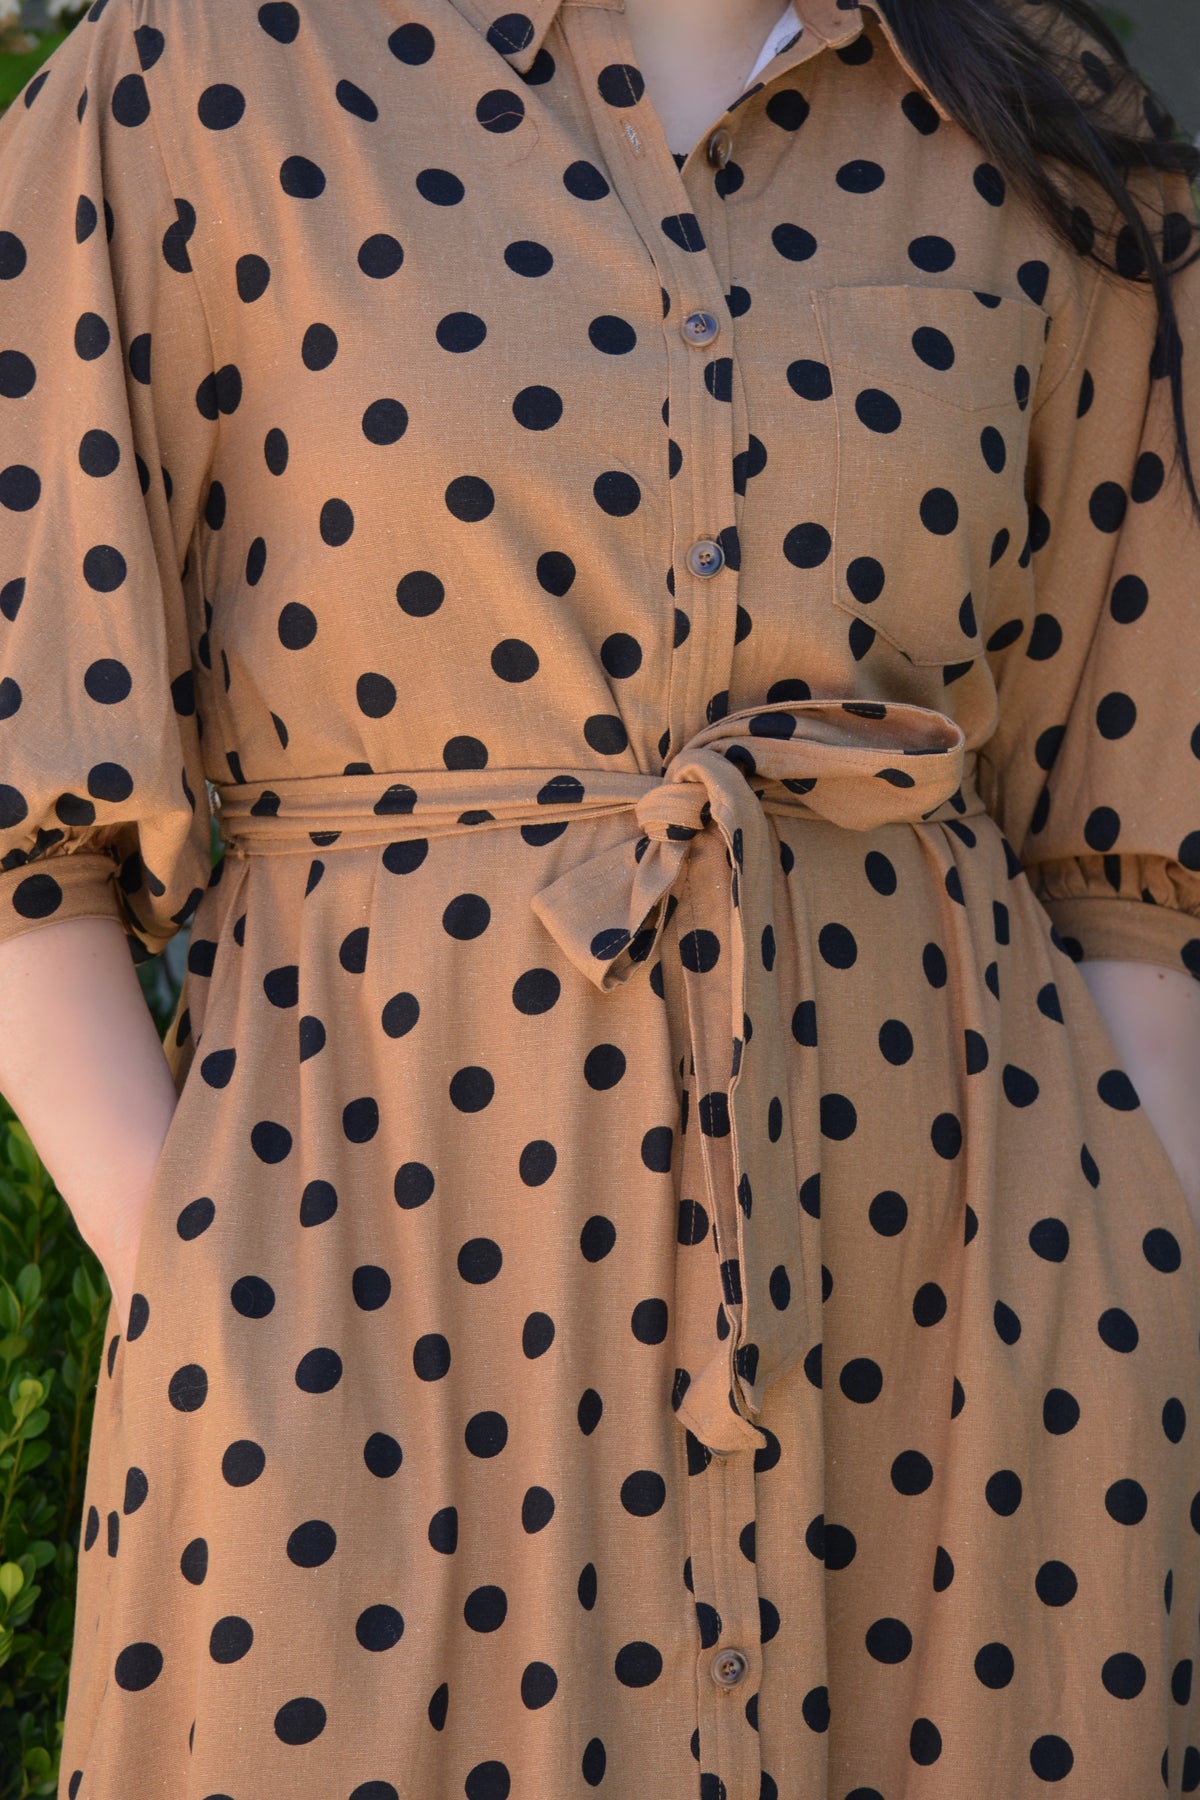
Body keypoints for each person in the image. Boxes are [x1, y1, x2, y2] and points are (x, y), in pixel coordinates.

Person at [0, 0, 1198, 1792]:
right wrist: (215, 1309)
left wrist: (1135, 1304)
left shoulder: (1042, 119)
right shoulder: (201, 75)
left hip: (969, 1372)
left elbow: (1136, 851)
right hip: (360, 1346)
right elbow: (25, 834)